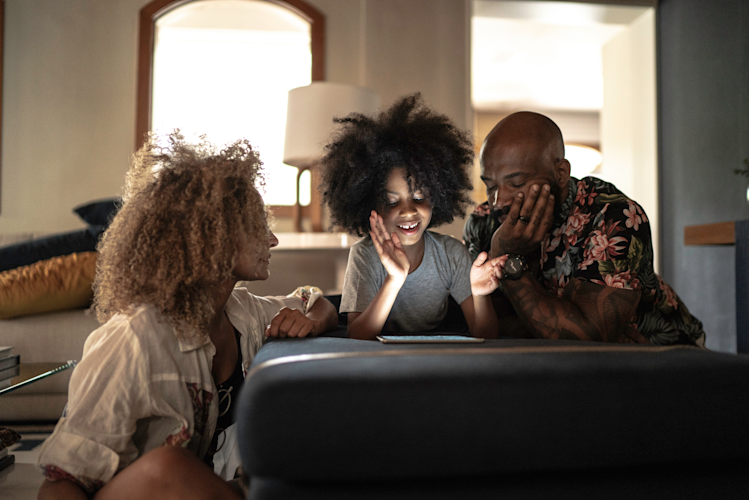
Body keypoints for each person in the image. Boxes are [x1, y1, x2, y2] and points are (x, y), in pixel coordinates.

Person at [36, 133, 338, 500]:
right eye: (259, 226)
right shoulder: (133, 338)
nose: (272, 240)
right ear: (213, 238)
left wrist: (314, 319)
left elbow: (317, 302)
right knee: (171, 465)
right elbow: (60, 482)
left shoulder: (244, 312)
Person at [463, 111, 705, 345]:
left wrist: (508, 257)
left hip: (667, 353)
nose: (498, 201)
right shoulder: (482, 222)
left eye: (517, 183)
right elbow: (480, 321)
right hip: (559, 361)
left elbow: (587, 340)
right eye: (490, 186)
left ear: (561, 173)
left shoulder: (614, 216)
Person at [320, 93, 502, 340]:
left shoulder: (451, 254)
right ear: (371, 206)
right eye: (392, 202)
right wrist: (394, 279)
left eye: (419, 198)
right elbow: (357, 336)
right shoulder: (363, 255)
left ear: (436, 195)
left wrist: (480, 295)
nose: (408, 211)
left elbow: (486, 335)